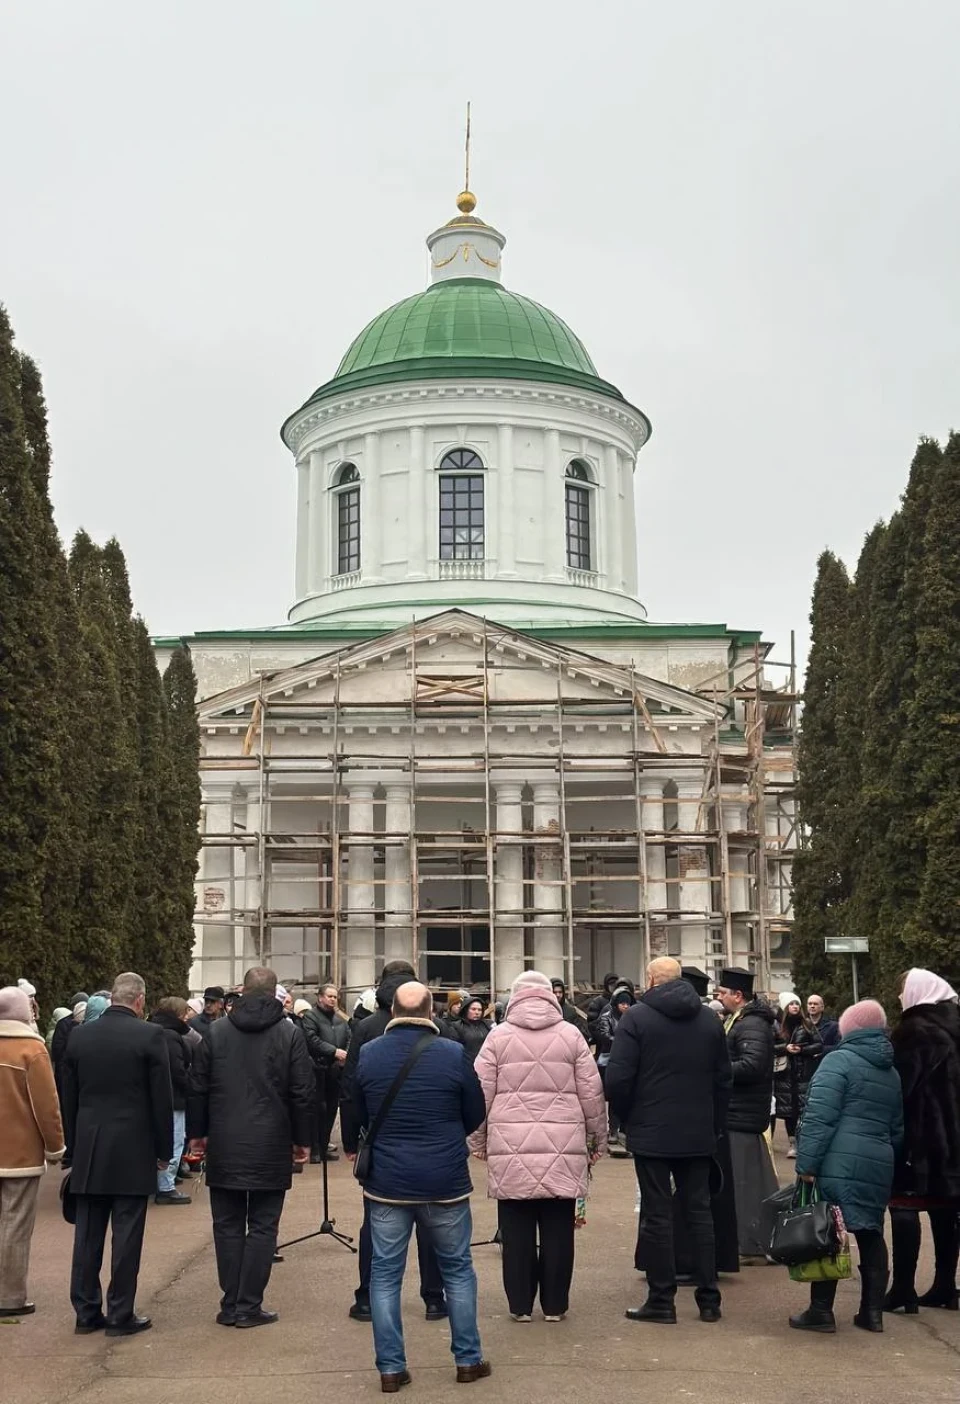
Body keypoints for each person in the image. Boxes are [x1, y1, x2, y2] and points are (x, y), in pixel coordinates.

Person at [354, 980, 489, 1391]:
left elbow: (359, 1112)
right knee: (458, 1270)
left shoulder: (369, 1054)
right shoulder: (453, 1054)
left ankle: (391, 1368)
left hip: (388, 1182)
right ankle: (467, 1360)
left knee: (385, 1275)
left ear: (393, 1011)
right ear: (431, 1012)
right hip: (444, 1178)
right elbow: (475, 1113)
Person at [469, 970, 606, 1324]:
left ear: (514, 997)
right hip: (563, 1142)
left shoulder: (497, 1037)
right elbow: (592, 1094)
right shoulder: (571, 1035)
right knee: (559, 1231)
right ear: (551, 997)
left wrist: (478, 1140)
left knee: (515, 1233)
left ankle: (520, 1306)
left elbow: (479, 1094)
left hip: (510, 1144)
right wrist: (597, 1139)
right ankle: (555, 1305)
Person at [187, 966, 313, 1329]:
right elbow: (302, 1091)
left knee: (226, 1225)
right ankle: (248, 1304)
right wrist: (302, 1140)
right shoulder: (289, 1033)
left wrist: (197, 1133)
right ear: (275, 993)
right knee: (262, 1226)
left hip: (226, 1139)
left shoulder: (216, 1031)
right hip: (271, 1141)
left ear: (242, 991)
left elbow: (198, 1085)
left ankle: (231, 1303)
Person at [606, 958, 730, 1324]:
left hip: (652, 1130)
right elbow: (724, 1080)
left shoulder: (637, 1018)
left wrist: (629, 1119)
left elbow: (617, 1080)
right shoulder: (710, 1020)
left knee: (657, 1215)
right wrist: (714, 1125)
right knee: (700, 1212)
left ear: (650, 979)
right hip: (697, 1130)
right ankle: (709, 1299)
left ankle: (662, 1299)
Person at [62, 972, 173, 1337]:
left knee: (87, 1234)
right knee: (127, 1235)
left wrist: (73, 1149)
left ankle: (85, 1311)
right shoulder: (150, 1035)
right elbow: (162, 1099)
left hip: (90, 1147)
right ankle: (120, 1313)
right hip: (133, 1146)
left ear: (112, 998)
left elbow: (70, 1098)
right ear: (140, 1000)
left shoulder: (80, 1036)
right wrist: (163, 1150)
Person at [341, 960, 448, 1324]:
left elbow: (350, 1090)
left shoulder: (367, 1028)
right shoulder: (438, 1029)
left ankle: (368, 1299)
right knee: (432, 1222)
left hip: (380, 1137)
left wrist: (351, 1141)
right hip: (433, 1139)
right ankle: (435, 1298)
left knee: (376, 1221)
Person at [789, 999, 903, 1334]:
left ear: (849, 1029)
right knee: (870, 1232)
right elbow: (897, 1127)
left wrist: (807, 1165)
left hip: (837, 1159)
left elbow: (819, 1119)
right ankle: (872, 1313)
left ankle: (821, 1311)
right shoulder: (891, 1071)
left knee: (828, 1231)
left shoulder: (837, 1061)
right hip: (878, 1161)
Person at [884, 969, 960, 1313]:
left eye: (903, 991)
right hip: (953, 1141)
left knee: (904, 1206)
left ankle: (903, 1289)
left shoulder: (913, 1033)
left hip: (919, 1138)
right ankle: (945, 1285)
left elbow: (900, 1089)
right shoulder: (955, 1028)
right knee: (946, 1210)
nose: (900, 999)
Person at [0, 985, 66, 1318]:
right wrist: (56, 1148)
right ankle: (10, 1296)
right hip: (19, 1154)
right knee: (15, 1225)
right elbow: (47, 1106)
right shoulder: (31, 1050)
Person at [715, 967, 778, 1262]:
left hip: (743, 1113)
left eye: (723, 992)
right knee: (746, 1180)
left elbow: (752, 1066)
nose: (719, 997)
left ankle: (752, 1242)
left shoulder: (751, 1024)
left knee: (745, 1183)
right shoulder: (742, 1021)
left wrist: (717, 1070)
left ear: (738, 996)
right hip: (741, 1112)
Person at [149, 998, 194, 1206]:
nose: (187, 1016)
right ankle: (166, 1187)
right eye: (185, 1013)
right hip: (175, 1099)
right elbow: (177, 1071)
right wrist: (191, 1086)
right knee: (174, 1141)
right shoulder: (172, 1036)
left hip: (155, 1097)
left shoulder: (152, 1030)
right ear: (177, 1014)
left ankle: (159, 1183)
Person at [301, 983, 351, 1162]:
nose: (332, 999)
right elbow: (311, 1039)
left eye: (335, 997)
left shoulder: (340, 1020)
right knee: (317, 1110)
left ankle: (324, 1147)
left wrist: (344, 1054)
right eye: (329, 996)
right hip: (317, 1070)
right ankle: (314, 1149)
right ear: (320, 997)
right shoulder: (310, 1017)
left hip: (335, 1071)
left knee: (330, 1110)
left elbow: (349, 1037)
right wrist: (333, 1051)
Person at [773, 994, 823, 1157]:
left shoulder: (806, 1024)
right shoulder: (777, 1025)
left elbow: (818, 1045)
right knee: (788, 1110)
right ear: (785, 1007)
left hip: (802, 1072)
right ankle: (792, 1143)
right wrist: (785, 1048)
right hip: (784, 1073)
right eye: (791, 1004)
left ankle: (802, 1142)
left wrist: (802, 1050)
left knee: (802, 1108)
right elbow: (769, 1046)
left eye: (797, 1004)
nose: (794, 1006)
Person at [596, 986, 635, 1150]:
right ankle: (613, 1129)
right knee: (613, 1096)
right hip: (611, 1061)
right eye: (622, 1003)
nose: (625, 1006)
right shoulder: (607, 1017)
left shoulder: (634, 1017)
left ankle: (625, 1129)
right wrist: (622, 1043)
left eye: (628, 1003)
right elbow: (604, 1035)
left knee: (628, 1096)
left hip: (629, 1061)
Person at [447, 996, 493, 1065]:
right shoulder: (457, 1026)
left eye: (479, 1010)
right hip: (466, 1065)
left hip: (486, 1065)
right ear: (466, 1010)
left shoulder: (487, 1025)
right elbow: (454, 1050)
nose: (477, 1012)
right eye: (473, 1009)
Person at [586, 973, 622, 1046]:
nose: (613, 987)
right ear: (606, 986)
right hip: (604, 1046)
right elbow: (592, 1025)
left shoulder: (623, 1000)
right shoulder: (598, 1002)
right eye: (611, 985)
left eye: (615, 985)